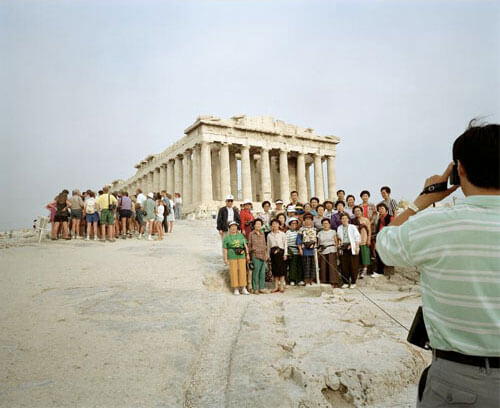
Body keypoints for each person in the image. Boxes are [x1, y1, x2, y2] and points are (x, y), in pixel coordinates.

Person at [375, 122, 500, 408]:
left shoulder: (435, 226)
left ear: (459, 170)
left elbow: (385, 245)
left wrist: (423, 199)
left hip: (460, 382)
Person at [223, 221, 250, 295]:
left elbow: (245, 245)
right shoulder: (227, 238)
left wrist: (247, 254)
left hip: (241, 254)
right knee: (233, 271)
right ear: (229, 228)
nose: (234, 228)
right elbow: (225, 249)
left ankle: (243, 287)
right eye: (232, 226)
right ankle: (236, 288)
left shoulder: (241, 235)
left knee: (242, 271)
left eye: (235, 226)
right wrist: (225, 258)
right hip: (232, 255)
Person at [337, 213, 361, 288]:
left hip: (352, 247)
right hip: (343, 248)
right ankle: (346, 282)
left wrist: (357, 247)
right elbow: (339, 238)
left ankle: (353, 282)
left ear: (348, 219)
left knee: (353, 265)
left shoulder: (352, 227)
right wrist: (339, 244)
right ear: (340, 220)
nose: (344, 220)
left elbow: (357, 237)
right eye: (342, 218)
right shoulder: (339, 228)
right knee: (344, 265)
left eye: (345, 218)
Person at [247, 218, 268, 294]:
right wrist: (249, 254)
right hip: (255, 255)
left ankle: (261, 288)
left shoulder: (262, 234)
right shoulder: (251, 234)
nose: (258, 225)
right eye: (257, 224)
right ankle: (255, 288)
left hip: (263, 255)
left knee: (262, 273)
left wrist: (266, 254)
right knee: (255, 272)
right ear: (254, 225)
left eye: (259, 224)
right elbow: (249, 245)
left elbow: (264, 245)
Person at [317, 218, 340, 286]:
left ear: (329, 224)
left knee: (332, 266)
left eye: (327, 223)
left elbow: (336, 242)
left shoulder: (333, 232)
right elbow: (319, 243)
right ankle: (324, 280)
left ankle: (333, 282)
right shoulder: (320, 233)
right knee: (323, 266)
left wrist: (337, 251)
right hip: (323, 250)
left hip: (331, 249)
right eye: (324, 224)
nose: (325, 225)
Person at [267, 218, 287, 293]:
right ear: (271, 226)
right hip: (273, 253)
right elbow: (268, 245)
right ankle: (276, 287)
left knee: (282, 270)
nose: (274, 225)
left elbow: (285, 245)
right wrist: (268, 255)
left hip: (281, 253)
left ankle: (281, 286)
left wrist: (285, 254)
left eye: (276, 223)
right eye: (273, 224)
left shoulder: (282, 234)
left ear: (279, 225)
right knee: (275, 270)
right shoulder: (269, 235)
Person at [373, 203, 393, 276]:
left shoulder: (390, 217)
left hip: (387, 238)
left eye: (382, 208)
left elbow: (392, 227)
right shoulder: (379, 219)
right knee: (378, 252)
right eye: (379, 209)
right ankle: (379, 271)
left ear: (386, 210)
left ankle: (380, 271)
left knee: (381, 252)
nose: (380, 210)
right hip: (380, 238)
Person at [297, 214, 317, 285]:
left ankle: (312, 280)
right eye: (306, 219)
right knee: (306, 265)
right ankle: (306, 280)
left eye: (309, 219)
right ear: (304, 221)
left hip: (313, 250)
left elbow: (317, 239)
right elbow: (299, 240)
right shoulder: (301, 229)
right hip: (305, 249)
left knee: (313, 266)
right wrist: (300, 249)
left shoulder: (314, 229)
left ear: (312, 221)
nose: (308, 221)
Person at [353, 205, 372, 278]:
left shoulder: (366, 220)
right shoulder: (353, 221)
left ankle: (365, 270)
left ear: (361, 211)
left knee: (365, 255)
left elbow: (369, 230)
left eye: (358, 211)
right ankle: (359, 270)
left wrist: (368, 239)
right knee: (358, 256)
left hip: (364, 239)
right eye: (355, 211)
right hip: (356, 241)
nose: (357, 212)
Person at [286, 217, 303, 286]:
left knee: (299, 266)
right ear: (290, 225)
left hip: (298, 250)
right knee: (292, 266)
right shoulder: (287, 232)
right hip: (291, 251)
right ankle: (292, 280)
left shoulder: (299, 232)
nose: (294, 225)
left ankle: (299, 280)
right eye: (292, 223)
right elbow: (286, 242)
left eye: (295, 224)